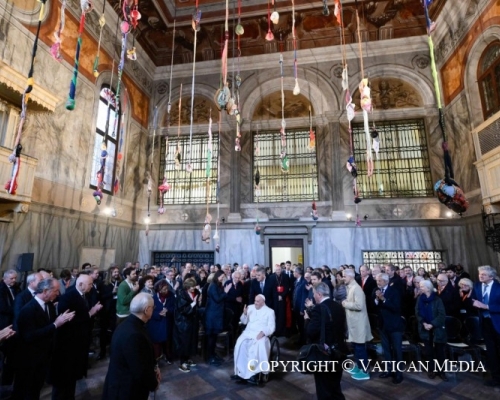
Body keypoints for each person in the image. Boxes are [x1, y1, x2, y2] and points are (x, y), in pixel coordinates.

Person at [13, 279, 75, 400]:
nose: (58, 294)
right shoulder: (28, 310)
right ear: (46, 291)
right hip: (31, 360)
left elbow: (49, 324)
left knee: (37, 389)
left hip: (44, 357)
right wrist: (55, 325)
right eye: (56, 291)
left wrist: (61, 319)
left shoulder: (49, 305)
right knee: (28, 392)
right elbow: (29, 336)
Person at [48, 275, 103, 399]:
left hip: (78, 343)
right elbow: (68, 320)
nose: (91, 286)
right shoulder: (69, 297)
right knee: (63, 380)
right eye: (89, 284)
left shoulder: (85, 295)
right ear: (81, 284)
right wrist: (90, 313)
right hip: (67, 344)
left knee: (71, 378)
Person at [102, 293, 160, 400]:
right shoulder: (135, 335)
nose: (153, 309)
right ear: (146, 310)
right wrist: (153, 383)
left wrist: (155, 366)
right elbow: (140, 370)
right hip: (126, 390)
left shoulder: (127, 324)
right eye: (153, 307)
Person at [305, 283, 347, 400]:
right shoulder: (338, 305)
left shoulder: (319, 308)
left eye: (314, 294)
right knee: (336, 388)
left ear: (319, 294)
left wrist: (307, 320)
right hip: (339, 351)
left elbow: (310, 331)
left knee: (324, 389)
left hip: (324, 354)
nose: (313, 297)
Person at [232, 294, 275, 384]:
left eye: (258, 301)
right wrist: (244, 313)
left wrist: (263, 332)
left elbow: (271, 327)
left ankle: (254, 375)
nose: (255, 303)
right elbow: (244, 321)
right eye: (255, 301)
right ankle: (240, 373)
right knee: (240, 344)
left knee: (257, 348)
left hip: (260, 334)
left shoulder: (270, 311)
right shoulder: (250, 308)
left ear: (263, 302)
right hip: (248, 333)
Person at [373, 273, 405, 384]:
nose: (378, 283)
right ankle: (389, 370)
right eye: (377, 280)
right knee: (386, 350)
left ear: (386, 281)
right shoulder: (377, 291)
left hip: (394, 325)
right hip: (383, 325)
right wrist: (377, 300)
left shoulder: (394, 291)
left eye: (380, 280)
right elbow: (375, 306)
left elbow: (396, 308)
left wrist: (384, 299)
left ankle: (399, 374)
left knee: (397, 350)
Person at [472, 265, 500, 387]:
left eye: (483, 274)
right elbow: (473, 299)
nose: (480, 276)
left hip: (498, 323)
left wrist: (487, 307)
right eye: (479, 274)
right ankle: (495, 379)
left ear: (491, 276)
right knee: (491, 352)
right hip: (485, 323)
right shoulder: (477, 286)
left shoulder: (498, 287)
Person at [342, 269, 372, 380]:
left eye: (344, 276)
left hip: (359, 323)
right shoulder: (351, 287)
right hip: (354, 322)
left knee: (360, 347)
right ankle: (359, 367)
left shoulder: (357, 289)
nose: (343, 278)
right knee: (355, 346)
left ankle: (364, 371)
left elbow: (359, 306)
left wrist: (346, 304)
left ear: (351, 277)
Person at [416, 280, 448, 381]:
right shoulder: (419, 299)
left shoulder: (437, 299)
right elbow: (417, 313)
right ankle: (431, 369)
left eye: (422, 286)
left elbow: (442, 314)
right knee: (428, 351)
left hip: (437, 329)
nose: (420, 288)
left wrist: (432, 324)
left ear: (428, 288)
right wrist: (424, 323)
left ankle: (441, 371)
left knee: (440, 351)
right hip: (424, 328)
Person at [205, 271, 232, 366]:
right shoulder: (212, 286)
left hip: (216, 315)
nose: (222, 278)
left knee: (214, 336)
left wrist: (224, 292)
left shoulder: (217, 285)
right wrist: (225, 292)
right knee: (211, 337)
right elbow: (217, 299)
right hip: (212, 315)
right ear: (217, 276)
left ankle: (213, 354)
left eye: (223, 277)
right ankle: (209, 357)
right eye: (221, 277)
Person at [174, 278, 200, 373]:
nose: (194, 288)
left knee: (191, 341)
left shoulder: (196, 292)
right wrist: (194, 303)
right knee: (183, 342)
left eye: (194, 286)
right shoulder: (181, 295)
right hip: (183, 322)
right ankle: (182, 362)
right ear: (187, 287)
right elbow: (183, 310)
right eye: (192, 287)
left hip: (192, 321)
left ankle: (188, 358)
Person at [0, 269, 20, 387]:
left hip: (12, 323)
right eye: (12, 278)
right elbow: (2, 307)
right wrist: (16, 310)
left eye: (15, 278)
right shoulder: (1, 289)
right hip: (4, 323)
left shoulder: (16, 288)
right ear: (5, 278)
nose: (14, 280)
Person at [97, 266, 122, 360]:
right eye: (115, 272)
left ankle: (114, 351)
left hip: (116, 310)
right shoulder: (103, 284)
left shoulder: (120, 282)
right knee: (103, 332)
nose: (116, 273)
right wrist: (112, 292)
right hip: (106, 311)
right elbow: (101, 297)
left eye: (117, 272)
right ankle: (102, 352)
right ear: (110, 273)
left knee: (115, 331)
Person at [267, 264, 290, 336]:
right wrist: (277, 296)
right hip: (274, 299)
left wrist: (282, 296)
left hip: (282, 299)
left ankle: (282, 331)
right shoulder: (271, 277)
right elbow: (271, 289)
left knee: (282, 315)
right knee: (275, 314)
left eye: (279, 270)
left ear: (281, 270)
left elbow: (287, 287)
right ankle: (275, 331)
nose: (278, 271)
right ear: (274, 270)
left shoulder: (285, 276)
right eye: (277, 270)